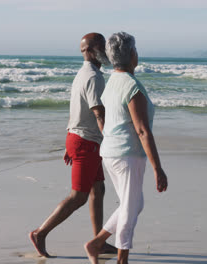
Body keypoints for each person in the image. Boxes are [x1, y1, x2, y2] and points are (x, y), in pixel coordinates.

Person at [29, 32, 117, 257]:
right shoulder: (93, 77)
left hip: (81, 139)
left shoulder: (85, 73)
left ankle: (98, 240)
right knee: (79, 196)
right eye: (101, 46)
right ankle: (40, 233)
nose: (106, 51)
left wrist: (70, 142)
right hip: (86, 141)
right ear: (89, 50)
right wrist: (113, 141)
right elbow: (99, 113)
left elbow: (76, 109)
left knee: (99, 189)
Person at [84, 32, 168, 264]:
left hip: (111, 152)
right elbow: (142, 131)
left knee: (133, 204)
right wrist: (157, 168)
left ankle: (96, 242)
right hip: (127, 154)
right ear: (132, 55)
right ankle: (122, 260)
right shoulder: (132, 86)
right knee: (130, 211)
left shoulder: (113, 81)